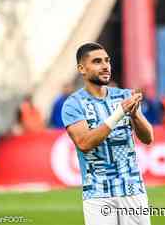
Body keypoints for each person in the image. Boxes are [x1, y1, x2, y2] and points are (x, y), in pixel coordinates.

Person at [61, 43, 154, 225]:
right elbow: (84, 143)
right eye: (97, 62)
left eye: (107, 61)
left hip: (132, 188)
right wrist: (119, 113)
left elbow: (148, 137)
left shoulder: (124, 96)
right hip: (98, 193)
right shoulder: (73, 104)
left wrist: (135, 115)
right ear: (82, 68)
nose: (105, 66)